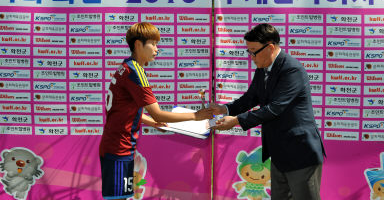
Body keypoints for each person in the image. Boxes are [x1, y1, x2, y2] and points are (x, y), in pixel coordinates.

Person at [210, 23, 326, 200]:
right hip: (279, 153)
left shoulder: (291, 69)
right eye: (249, 51)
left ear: (270, 47)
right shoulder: (263, 68)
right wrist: (225, 109)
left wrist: (236, 121)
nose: (251, 56)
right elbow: (250, 98)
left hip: (301, 153)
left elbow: (275, 108)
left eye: (254, 51)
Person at [99, 22, 213, 200]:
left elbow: (127, 110)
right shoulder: (136, 72)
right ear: (138, 44)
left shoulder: (126, 66)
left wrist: (152, 123)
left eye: (157, 44)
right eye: (153, 43)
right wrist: (196, 116)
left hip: (118, 146)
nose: (156, 49)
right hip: (119, 149)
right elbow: (158, 113)